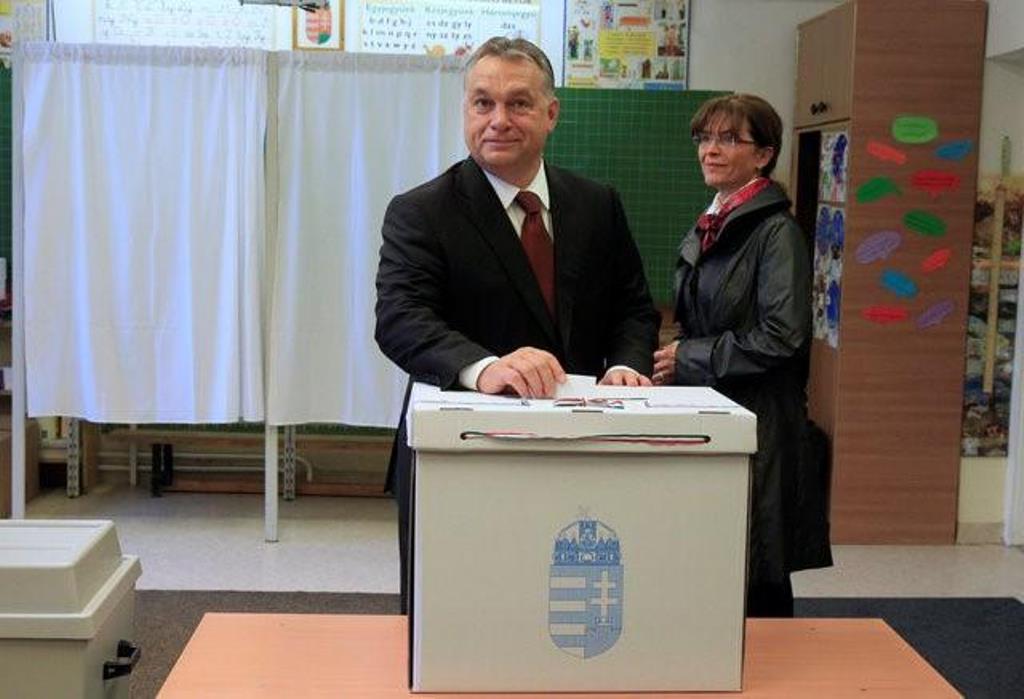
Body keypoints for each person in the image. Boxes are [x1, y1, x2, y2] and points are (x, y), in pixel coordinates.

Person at [375, 37, 661, 612]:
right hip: (461, 455)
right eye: (482, 103)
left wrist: (628, 364)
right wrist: (484, 369)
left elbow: (633, 306)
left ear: (551, 113)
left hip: (583, 448)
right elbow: (400, 319)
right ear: (465, 111)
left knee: (564, 613)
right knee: (459, 618)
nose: (498, 120)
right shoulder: (422, 211)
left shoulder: (596, 204)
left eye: (518, 103)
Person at [652, 94, 831, 617]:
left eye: (729, 139)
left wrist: (691, 358)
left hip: (760, 424)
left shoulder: (776, 232)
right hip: (714, 409)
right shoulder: (715, 219)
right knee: (715, 562)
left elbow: (783, 335)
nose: (710, 150)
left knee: (757, 573)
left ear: (764, 155)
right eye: (704, 138)